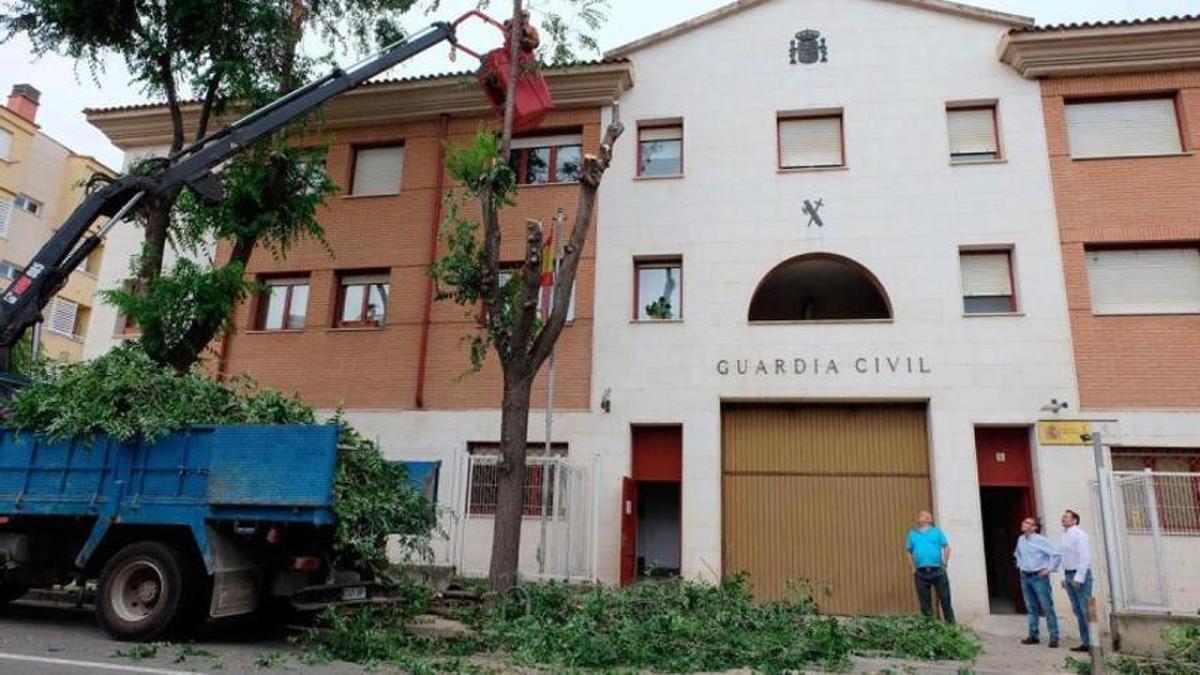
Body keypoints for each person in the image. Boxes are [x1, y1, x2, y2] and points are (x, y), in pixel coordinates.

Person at [1014, 517, 1062, 648]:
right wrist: (1020, 566)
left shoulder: (1040, 540)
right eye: (1023, 522)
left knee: (1047, 607)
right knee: (1031, 608)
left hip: (1038, 577)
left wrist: (1048, 570)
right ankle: (1033, 635)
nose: (1023, 524)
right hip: (1025, 576)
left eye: (1027, 523)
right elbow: (1017, 554)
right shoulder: (1021, 540)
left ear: (1034, 527)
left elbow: (1056, 554)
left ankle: (1054, 636)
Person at [906, 510, 955, 623]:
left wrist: (945, 564)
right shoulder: (912, 534)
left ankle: (951, 625)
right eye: (919, 515)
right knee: (924, 602)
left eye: (923, 515)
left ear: (929, 519)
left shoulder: (936, 532)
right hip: (921, 573)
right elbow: (908, 551)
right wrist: (913, 568)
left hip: (938, 570)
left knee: (945, 598)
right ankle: (930, 626)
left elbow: (946, 547)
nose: (919, 516)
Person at [1060, 509, 1094, 653]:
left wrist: (1079, 577)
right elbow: (1063, 557)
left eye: (1066, 517)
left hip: (1079, 575)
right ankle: (1085, 642)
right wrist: (1063, 576)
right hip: (1068, 575)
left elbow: (1085, 557)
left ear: (1074, 520)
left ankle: (1093, 643)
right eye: (1063, 516)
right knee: (1077, 610)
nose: (1063, 518)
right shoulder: (1064, 535)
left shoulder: (1080, 535)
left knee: (1085, 609)